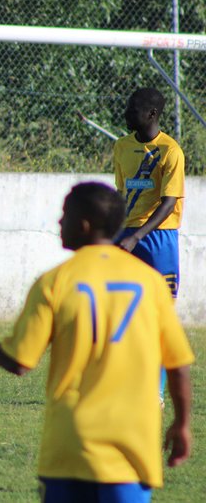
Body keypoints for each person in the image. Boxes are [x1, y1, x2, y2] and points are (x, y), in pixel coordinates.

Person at [0, 182, 194, 502]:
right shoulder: (150, 283)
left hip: (69, 446)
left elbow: (19, 362)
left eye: (64, 215)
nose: (58, 222)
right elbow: (178, 365)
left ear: (84, 225)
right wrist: (182, 424)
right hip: (133, 445)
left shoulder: (55, 282)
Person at [113, 86, 185, 402]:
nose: (127, 113)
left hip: (158, 239)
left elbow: (169, 203)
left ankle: (155, 392)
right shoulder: (121, 147)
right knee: (123, 314)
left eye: (134, 108)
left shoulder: (171, 151)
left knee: (158, 317)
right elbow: (121, 193)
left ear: (152, 114)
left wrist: (137, 236)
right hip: (125, 236)